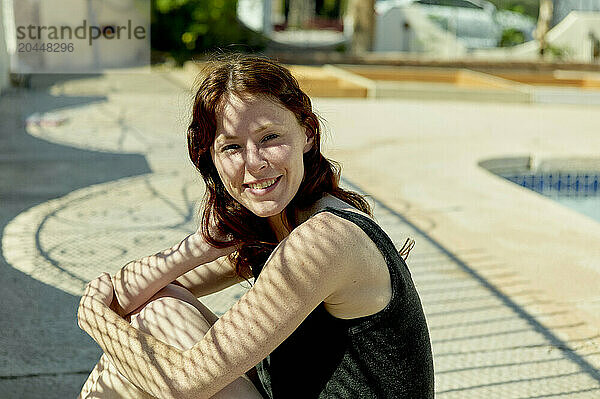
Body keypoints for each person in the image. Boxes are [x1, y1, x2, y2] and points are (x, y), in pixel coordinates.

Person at [77, 54, 434, 399]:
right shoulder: (273, 225)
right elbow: (132, 297)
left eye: (269, 138)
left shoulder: (325, 239)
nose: (254, 163)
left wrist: (94, 318)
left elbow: (184, 383)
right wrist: (204, 242)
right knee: (159, 307)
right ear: (212, 160)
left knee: (156, 333)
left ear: (307, 134)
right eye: (231, 146)